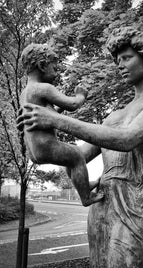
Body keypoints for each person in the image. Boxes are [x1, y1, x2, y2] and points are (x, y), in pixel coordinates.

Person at [17, 27, 143, 268]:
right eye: (117, 60)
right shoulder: (115, 114)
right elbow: (79, 155)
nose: (120, 65)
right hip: (102, 202)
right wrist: (36, 132)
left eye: (126, 57)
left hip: (136, 202)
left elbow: (128, 139)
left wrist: (56, 120)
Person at [20, 43, 104, 207]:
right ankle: (86, 197)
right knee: (77, 157)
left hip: (34, 150)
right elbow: (72, 104)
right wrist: (80, 95)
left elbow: (49, 115)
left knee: (69, 155)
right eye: (55, 68)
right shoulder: (43, 88)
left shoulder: (26, 93)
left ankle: (84, 185)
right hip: (46, 145)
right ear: (42, 66)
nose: (57, 73)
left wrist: (57, 110)